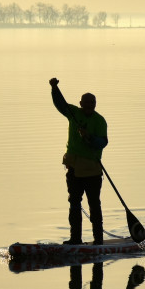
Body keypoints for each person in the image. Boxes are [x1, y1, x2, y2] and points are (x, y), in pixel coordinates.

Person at [49, 77, 108, 245]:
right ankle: (75, 239)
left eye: (92, 103)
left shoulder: (100, 121)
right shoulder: (74, 113)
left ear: (95, 104)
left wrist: (89, 137)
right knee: (74, 203)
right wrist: (54, 88)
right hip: (74, 170)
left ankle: (98, 241)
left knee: (94, 204)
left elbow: (102, 143)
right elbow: (60, 104)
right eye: (87, 103)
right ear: (81, 103)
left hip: (92, 171)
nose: (90, 105)